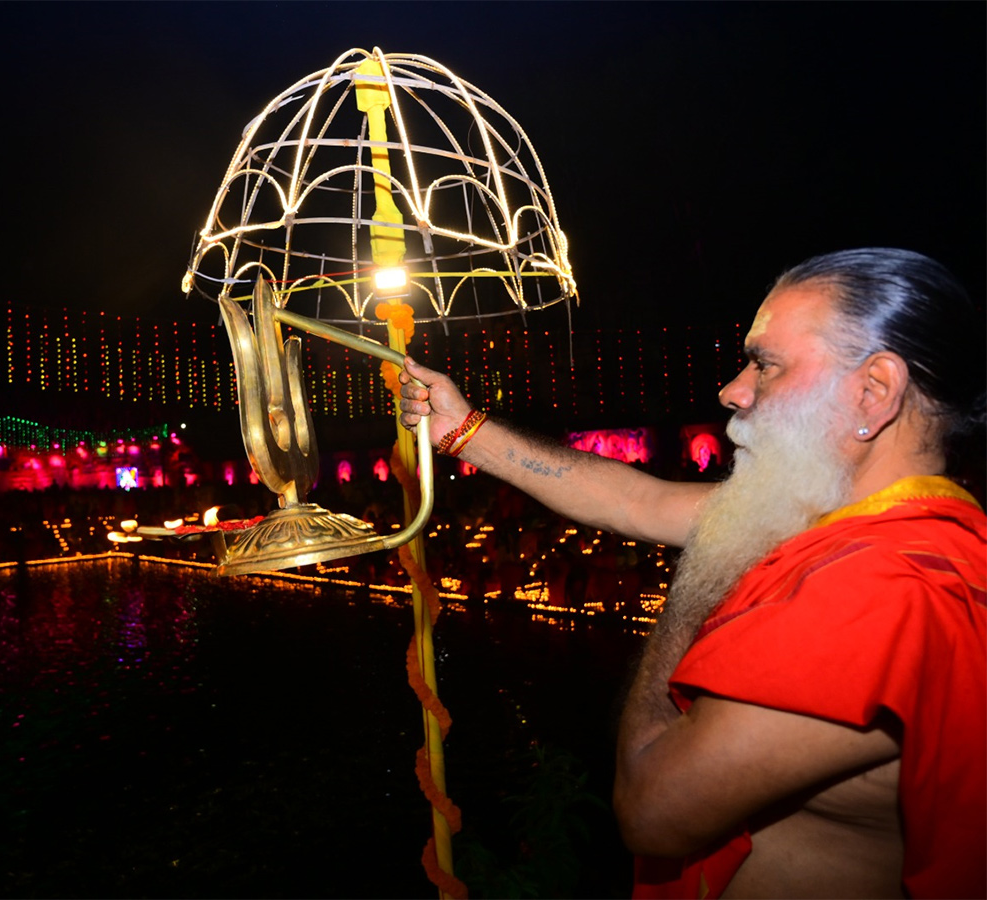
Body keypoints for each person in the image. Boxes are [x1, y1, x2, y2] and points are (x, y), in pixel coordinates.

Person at [397, 248, 986, 899]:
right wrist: (464, 431)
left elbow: (651, 810)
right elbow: (636, 501)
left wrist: (699, 575)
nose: (733, 390)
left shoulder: (882, 592)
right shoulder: (851, 521)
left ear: (873, 390)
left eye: (765, 363)